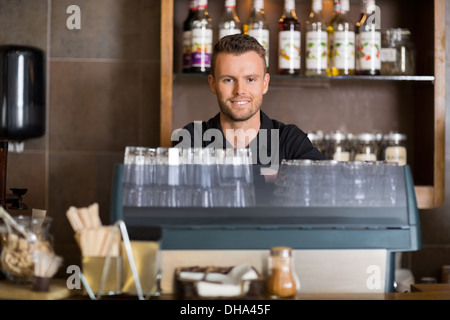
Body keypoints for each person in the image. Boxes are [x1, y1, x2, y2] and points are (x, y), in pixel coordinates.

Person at [173, 33, 326, 177]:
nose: (240, 91)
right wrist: (269, 177)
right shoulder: (193, 138)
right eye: (228, 80)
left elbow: (326, 181)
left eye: (250, 79)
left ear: (265, 83)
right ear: (213, 84)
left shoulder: (289, 139)